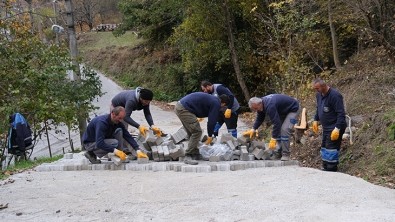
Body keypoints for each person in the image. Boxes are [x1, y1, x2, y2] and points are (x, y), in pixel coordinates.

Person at [174, 92, 230, 165]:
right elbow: (211, 122)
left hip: (180, 106)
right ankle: (188, 155)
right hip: (184, 109)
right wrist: (210, 135)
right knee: (197, 132)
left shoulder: (214, 99)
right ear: (223, 103)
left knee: (191, 132)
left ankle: (195, 153)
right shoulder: (216, 103)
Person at [82, 106, 148, 165]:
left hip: (100, 141)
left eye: (122, 118)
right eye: (119, 118)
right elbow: (100, 143)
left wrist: (137, 150)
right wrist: (115, 151)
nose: (121, 120)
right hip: (90, 143)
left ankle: (120, 156)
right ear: (113, 114)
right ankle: (91, 153)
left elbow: (127, 136)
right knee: (114, 143)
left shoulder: (117, 122)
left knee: (119, 131)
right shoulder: (102, 123)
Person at [243, 94, 300, 161]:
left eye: (256, 108)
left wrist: (273, 138)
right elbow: (260, 118)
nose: (256, 110)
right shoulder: (261, 105)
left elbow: (276, 123)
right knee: (278, 130)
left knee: (284, 129)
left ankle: (285, 154)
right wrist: (253, 128)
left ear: (259, 103)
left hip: (293, 109)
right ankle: (279, 152)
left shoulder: (270, 105)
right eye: (254, 109)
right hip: (283, 111)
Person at [312, 78, 346, 172]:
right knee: (324, 146)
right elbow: (318, 108)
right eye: (315, 88)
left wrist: (337, 128)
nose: (316, 90)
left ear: (323, 86)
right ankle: (326, 167)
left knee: (331, 148)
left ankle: (332, 168)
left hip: (335, 126)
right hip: (326, 127)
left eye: (317, 88)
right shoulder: (319, 95)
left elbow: (341, 113)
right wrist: (315, 119)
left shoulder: (335, 96)